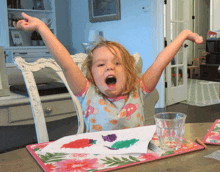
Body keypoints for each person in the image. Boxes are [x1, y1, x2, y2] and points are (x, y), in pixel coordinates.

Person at [14, 12, 203, 133]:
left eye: (117, 63)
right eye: (100, 65)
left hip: (135, 160)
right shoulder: (88, 93)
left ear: (129, 71)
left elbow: (161, 62)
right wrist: (41, 27)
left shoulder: (138, 90)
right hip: (99, 162)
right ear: (91, 75)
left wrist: (184, 35)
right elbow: (66, 63)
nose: (109, 68)